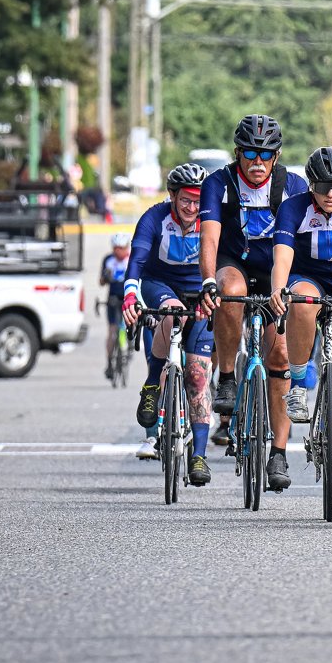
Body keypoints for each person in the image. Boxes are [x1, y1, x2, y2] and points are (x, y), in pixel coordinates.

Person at [198, 114, 309, 492]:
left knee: (278, 358)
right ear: (237, 153)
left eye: (265, 154)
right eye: (249, 153)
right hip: (236, 263)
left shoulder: (293, 186)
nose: (257, 162)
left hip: (277, 268)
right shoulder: (219, 183)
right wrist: (208, 280)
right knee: (228, 289)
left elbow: (301, 243)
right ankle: (227, 377)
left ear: (276, 157)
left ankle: (278, 452)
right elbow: (210, 239)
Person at [270, 146, 332, 496]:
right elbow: (282, 256)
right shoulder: (293, 207)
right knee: (303, 303)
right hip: (307, 276)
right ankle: (297, 385)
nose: (330, 195)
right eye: (323, 186)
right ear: (310, 184)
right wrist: (279, 287)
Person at [121, 163, 215, 482]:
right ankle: (152, 384)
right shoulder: (154, 218)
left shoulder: (211, 218)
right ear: (172, 196)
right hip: (159, 285)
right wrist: (130, 295)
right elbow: (136, 260)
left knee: (198, 375)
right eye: (186, 200)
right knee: (171, 311)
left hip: (200, 290)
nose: (192, 207)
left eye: (198, 201)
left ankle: (199, 456)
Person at [99, 233, 131, 379]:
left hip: (128, 299)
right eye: (116, 248)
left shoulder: (132, 260)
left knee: (132, 322)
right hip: (113, 298)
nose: (118, 251)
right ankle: (109, 363)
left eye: (121, 248)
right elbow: (101, 282)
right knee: (112, 331)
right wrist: (105, 277)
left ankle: (129, 344)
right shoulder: (108, 260)